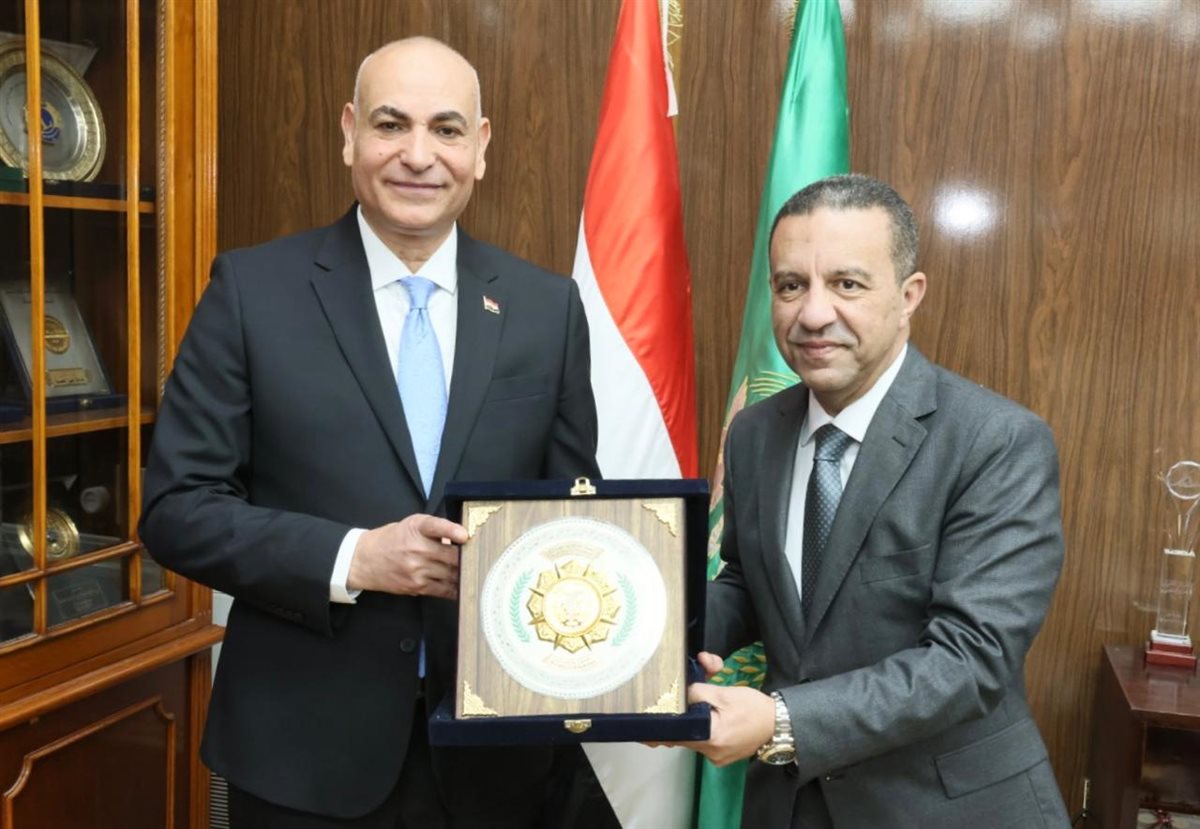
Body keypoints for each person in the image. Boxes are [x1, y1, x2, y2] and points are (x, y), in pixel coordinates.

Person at [140, 37, 601, 828]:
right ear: (350, 132)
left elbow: (572, 517)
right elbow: (175, 509)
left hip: (496, 760)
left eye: (446, 129)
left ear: (481, 146)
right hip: (302, 758)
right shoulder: (252, 292)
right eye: (391, 124)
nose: (418, 155)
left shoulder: (546, 308)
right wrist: (353, 557)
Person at [686, 174, 1071, 828]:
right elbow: (751, 584)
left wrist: (782, 719)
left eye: (847, 284)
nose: (813, 314)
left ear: (908, 295)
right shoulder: (754, 432)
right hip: (791, 805)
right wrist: (650, 635)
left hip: (944, 808)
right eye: (791, 285)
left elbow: (970, 659)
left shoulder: (996, 442)